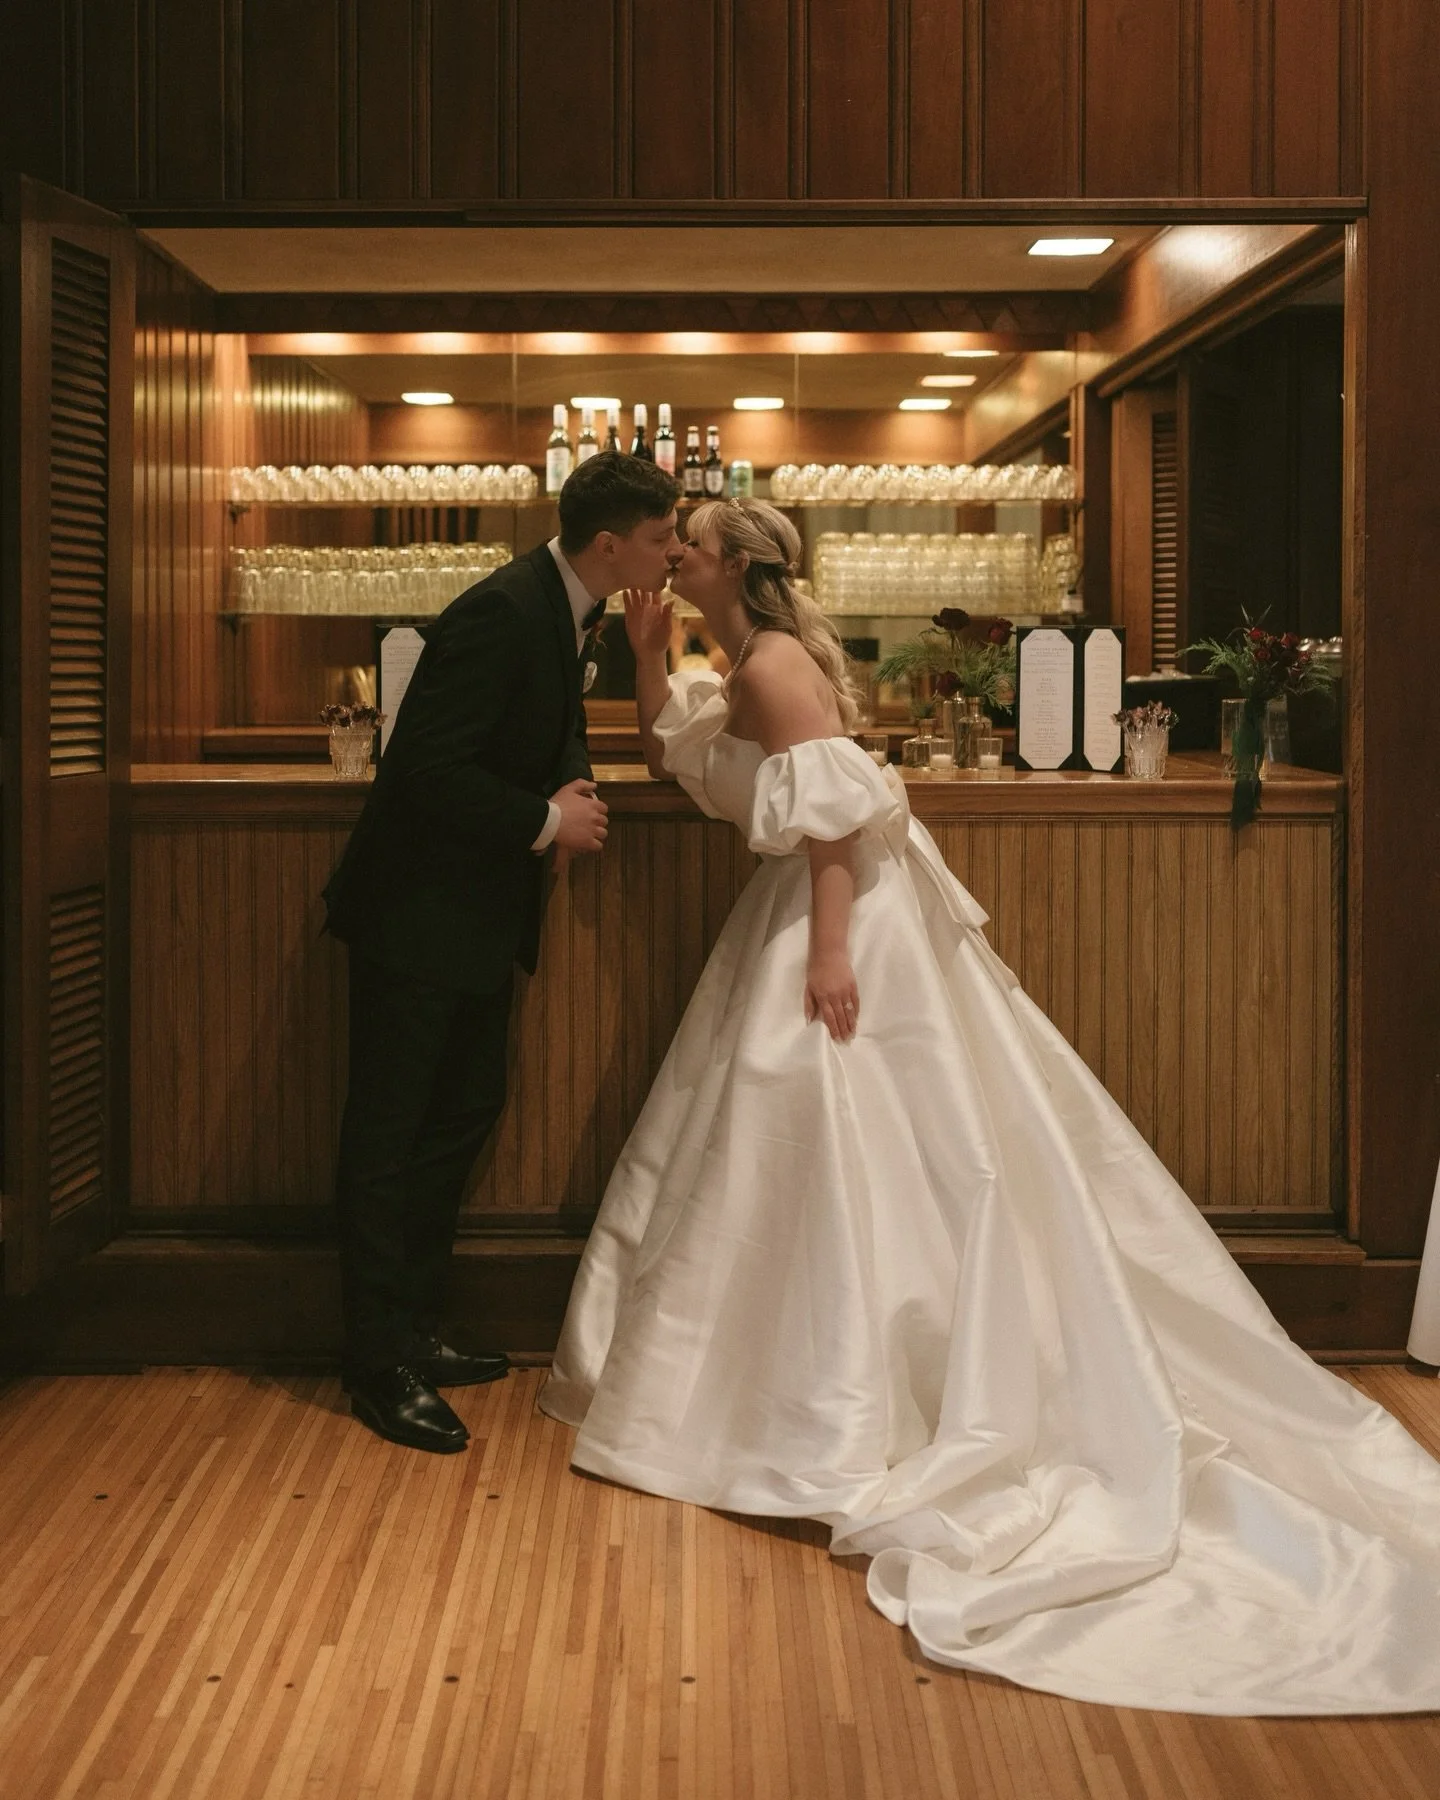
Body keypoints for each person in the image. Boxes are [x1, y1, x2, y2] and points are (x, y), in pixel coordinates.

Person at [540, 496, 1440, 1715]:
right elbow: (697, 765)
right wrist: (649, 662)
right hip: (814, 910)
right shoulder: (739, 659)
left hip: (841, 919)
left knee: (847, 1126)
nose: (675, 549)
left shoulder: (777, 659)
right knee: (789, 1138)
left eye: (691, 537)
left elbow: (837, 817)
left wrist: (833, 952)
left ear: (735, 564)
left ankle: (862, 1392)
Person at [324, 452, 682, 1453]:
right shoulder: (501, 610)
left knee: (461, 1112)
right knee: (391, 1137)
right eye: (661, 538)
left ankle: (412, 1328)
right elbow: (424, 771)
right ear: (611, 544)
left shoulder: (564, 604)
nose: (672, 551)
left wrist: (570, 785)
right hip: (417, 916)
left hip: (473, 920)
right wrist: (541, 821)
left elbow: (556, 725)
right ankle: (376, 1362)